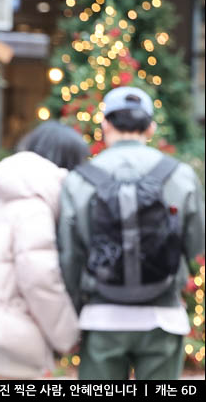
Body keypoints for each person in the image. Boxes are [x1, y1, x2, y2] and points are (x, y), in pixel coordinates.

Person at [57, 87, 205, 380]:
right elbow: (196, 244)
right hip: (163, 318)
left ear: (105, 125)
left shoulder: (79, 180)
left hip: (101, 318)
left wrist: (73, 312)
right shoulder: (181, 174)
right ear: (150, 126)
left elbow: (70, 257)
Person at [0, 121, 88, 379]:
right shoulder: (34, 206)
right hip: (11, 338)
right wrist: (68, 334)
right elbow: (39, 278)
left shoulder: (14, 196)